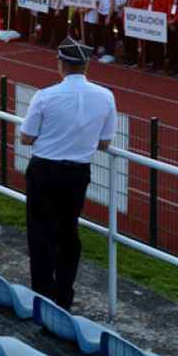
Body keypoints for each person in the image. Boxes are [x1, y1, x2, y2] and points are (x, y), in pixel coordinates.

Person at [20, 37, 116, 310]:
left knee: (40, 234)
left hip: (44, 170)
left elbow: (26, 137)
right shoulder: (106, 96)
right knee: (68, 233)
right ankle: (64, 296)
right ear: (86, 66)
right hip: (77, 174)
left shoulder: (45, 95)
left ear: (61, 65)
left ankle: (42, 295)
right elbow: (105, 142)